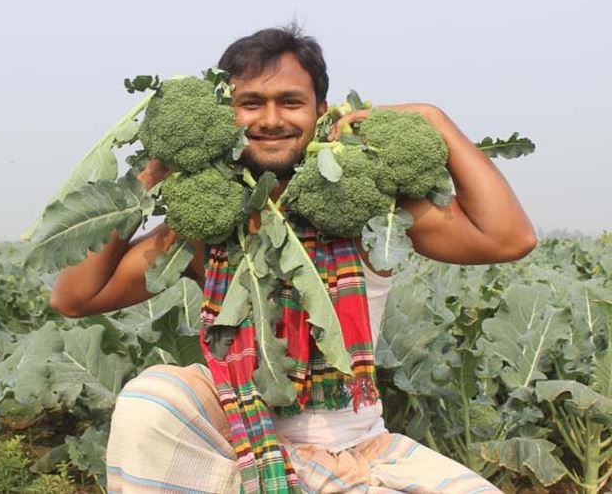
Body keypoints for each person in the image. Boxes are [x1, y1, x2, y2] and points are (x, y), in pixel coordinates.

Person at [51, 25, 536, 493]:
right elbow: (75, 297)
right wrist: (152, 172)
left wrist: (433, 118)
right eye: (251, 103)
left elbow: (509, 239)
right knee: (151, 402)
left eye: (290, 101)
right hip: (235, 440)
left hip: (353, 451)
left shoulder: (373, 214)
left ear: (320, 110)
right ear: (226, 113)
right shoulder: (209, 227)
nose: (271, 119)